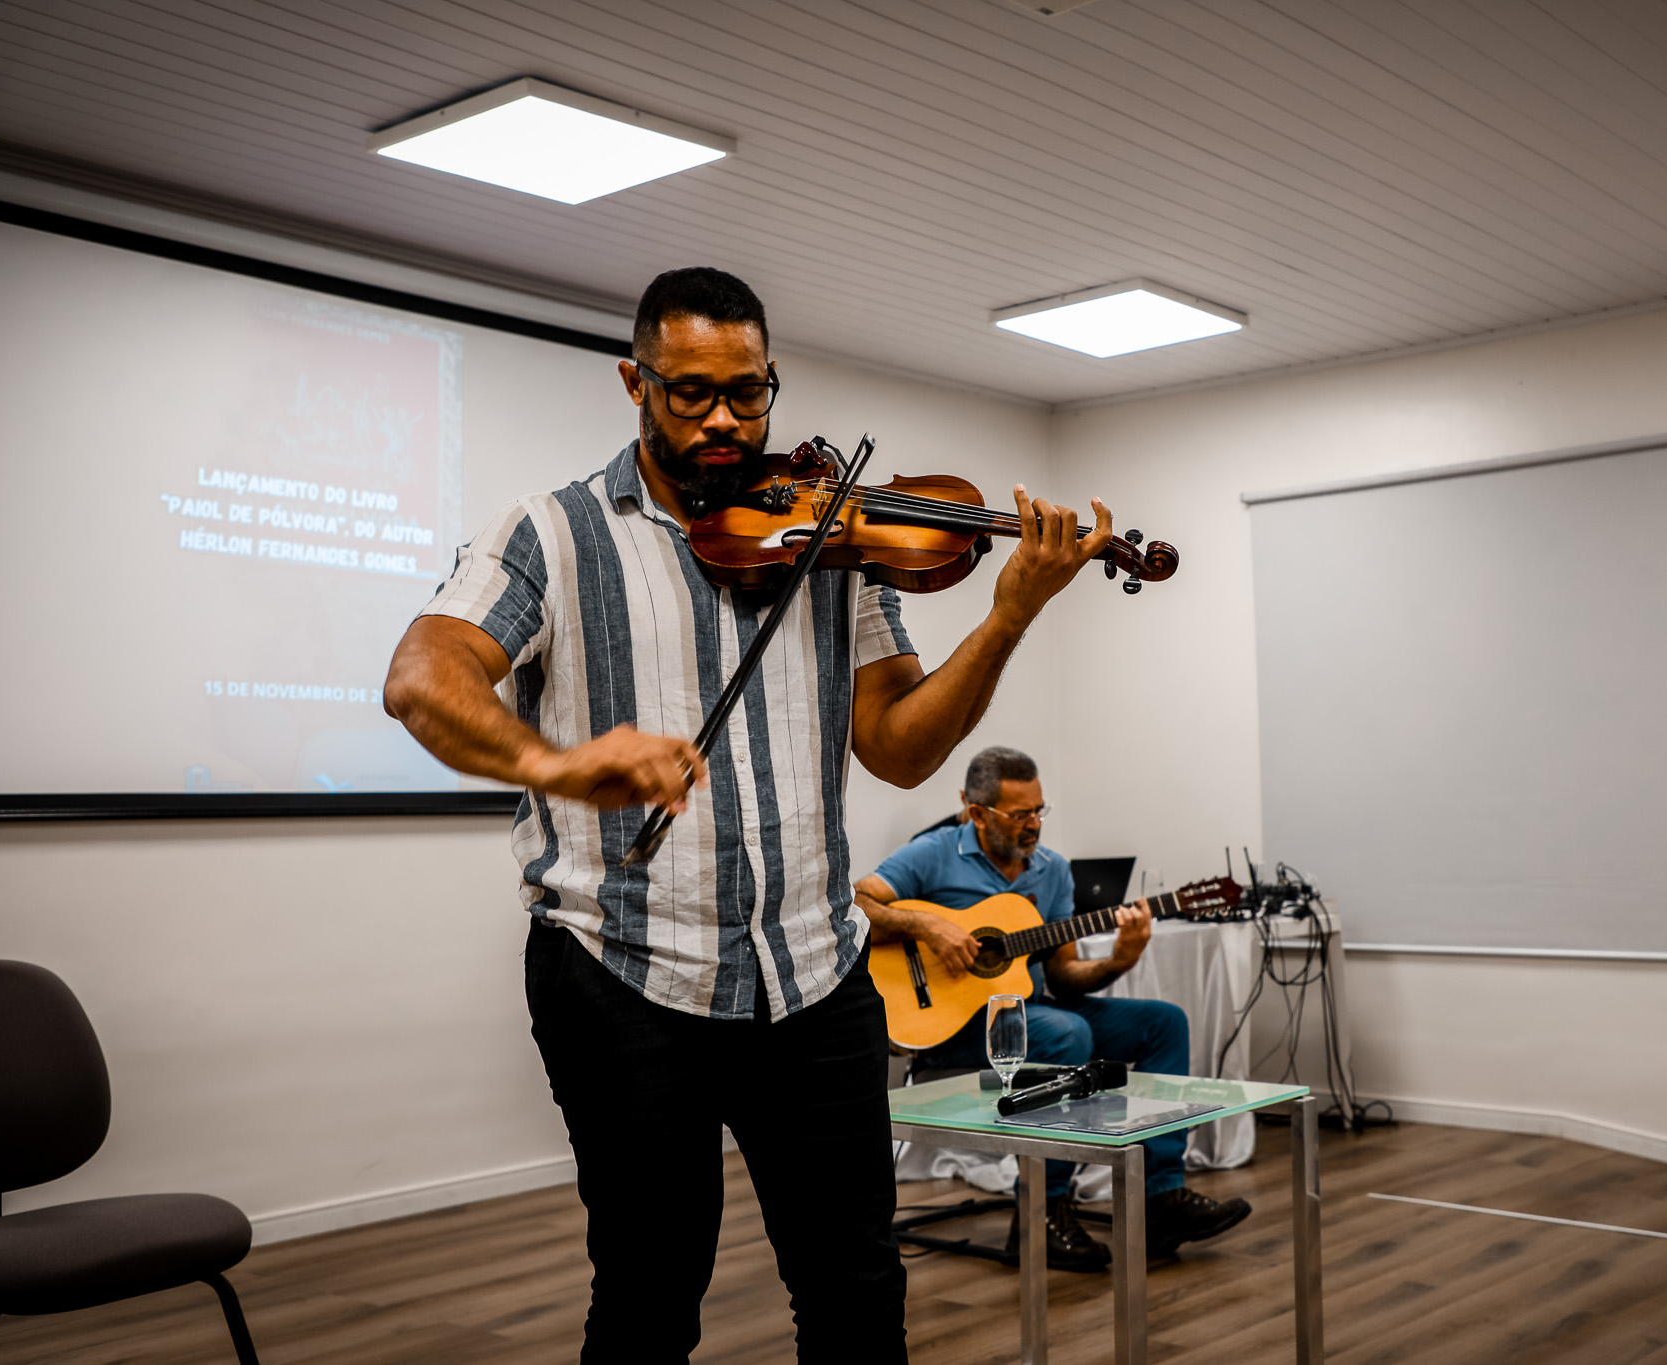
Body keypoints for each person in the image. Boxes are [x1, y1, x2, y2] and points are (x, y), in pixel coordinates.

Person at [381, 267, 1117, 1363]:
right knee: (648, 1294)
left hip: (814, 973)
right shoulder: (550, 534)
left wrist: (1007, 617)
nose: (723, 421)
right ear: (635, 382)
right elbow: (421, 679)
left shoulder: (833, 536)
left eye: (747, 393)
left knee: (858, 1292)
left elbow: (899, 746)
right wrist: (559, 762)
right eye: (691, 394)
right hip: (623, 971)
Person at [855, 746, 1252, 1273]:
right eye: (1019, 814)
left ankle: (1160, 1199)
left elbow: (1064, 976)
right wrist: (929, 926)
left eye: (1039, 811)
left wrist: (1119, 960)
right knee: (1066, 1033)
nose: (1034, 825)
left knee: (1163, 1023)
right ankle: (1042, 1213)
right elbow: (856, 903)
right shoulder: (931, 853)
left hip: (1034, 1014)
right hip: (949, 1026)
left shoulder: (1052, 870)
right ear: (976, 813)